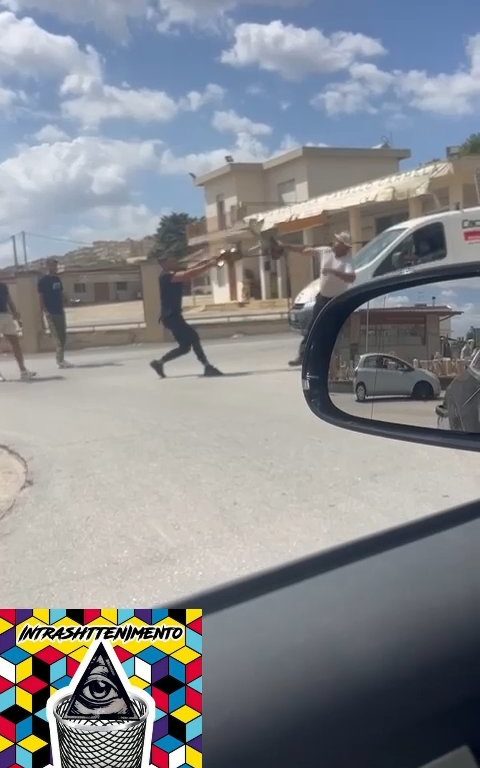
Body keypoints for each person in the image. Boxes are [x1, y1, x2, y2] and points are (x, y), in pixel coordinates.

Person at [282, 232, 356, 367]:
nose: (335, 243)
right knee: (313, 327)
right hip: (323, 298)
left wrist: (333, 272)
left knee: (336, 331)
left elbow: (351, 277)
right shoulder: (326, 252)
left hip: (337, 301)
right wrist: (286, 246)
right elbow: (305, 250)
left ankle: (336, 359)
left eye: (339, 242)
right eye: (336, 240)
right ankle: (303, 356)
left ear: (344, 247)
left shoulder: (347, 260)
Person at [150, 254, 223, 378]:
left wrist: (207, 261)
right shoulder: (166, 276)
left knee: (184, 347)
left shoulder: (172, 273)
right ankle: (207, 366)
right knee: (193, 336)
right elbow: (188, 274)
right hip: (171, 316)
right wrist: (209, 265)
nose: (175, 261)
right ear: (164, 263)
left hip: (173, 316)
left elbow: (190, 270)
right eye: (172, 259)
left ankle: (159, 363)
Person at [38, 258, 73, 369]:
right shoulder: (43, 281)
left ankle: (61, 359)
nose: (55, 268)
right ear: (47, 266)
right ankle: (59, 361)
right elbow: (41, 297)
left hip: (60, 311)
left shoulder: (57, 279)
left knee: (62, 336)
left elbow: (61, 293)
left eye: (56, 266)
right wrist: (44, 311)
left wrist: (66, 300)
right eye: (53, 266)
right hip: (51, 312)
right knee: (57, 337)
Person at [0, 280, 36, 381]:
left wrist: (15, 313)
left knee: (15, 343)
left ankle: (23, 371)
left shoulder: (3, 286)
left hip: (6, 315)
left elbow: (9, 300)